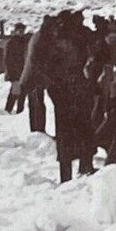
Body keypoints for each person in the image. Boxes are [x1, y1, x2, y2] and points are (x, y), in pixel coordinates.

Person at [44, 10, 96, 184]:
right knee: (83, 129)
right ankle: (84, 167)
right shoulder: (74, 39)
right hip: (74, 91)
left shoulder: (56, 42)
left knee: (68, 134)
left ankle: (68, 175)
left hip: (66, 93)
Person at [3, 21, 29, 114]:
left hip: (23, 71)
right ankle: (8, 110)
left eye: (22, 31)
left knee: (22, 92)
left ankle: (19, 110)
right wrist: (11, 74)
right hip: (14, 72)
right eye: (19, 31)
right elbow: (8, 60)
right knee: (15, 92)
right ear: (16, 31)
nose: (21, 32)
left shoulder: (25, 41)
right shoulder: (12, 43)